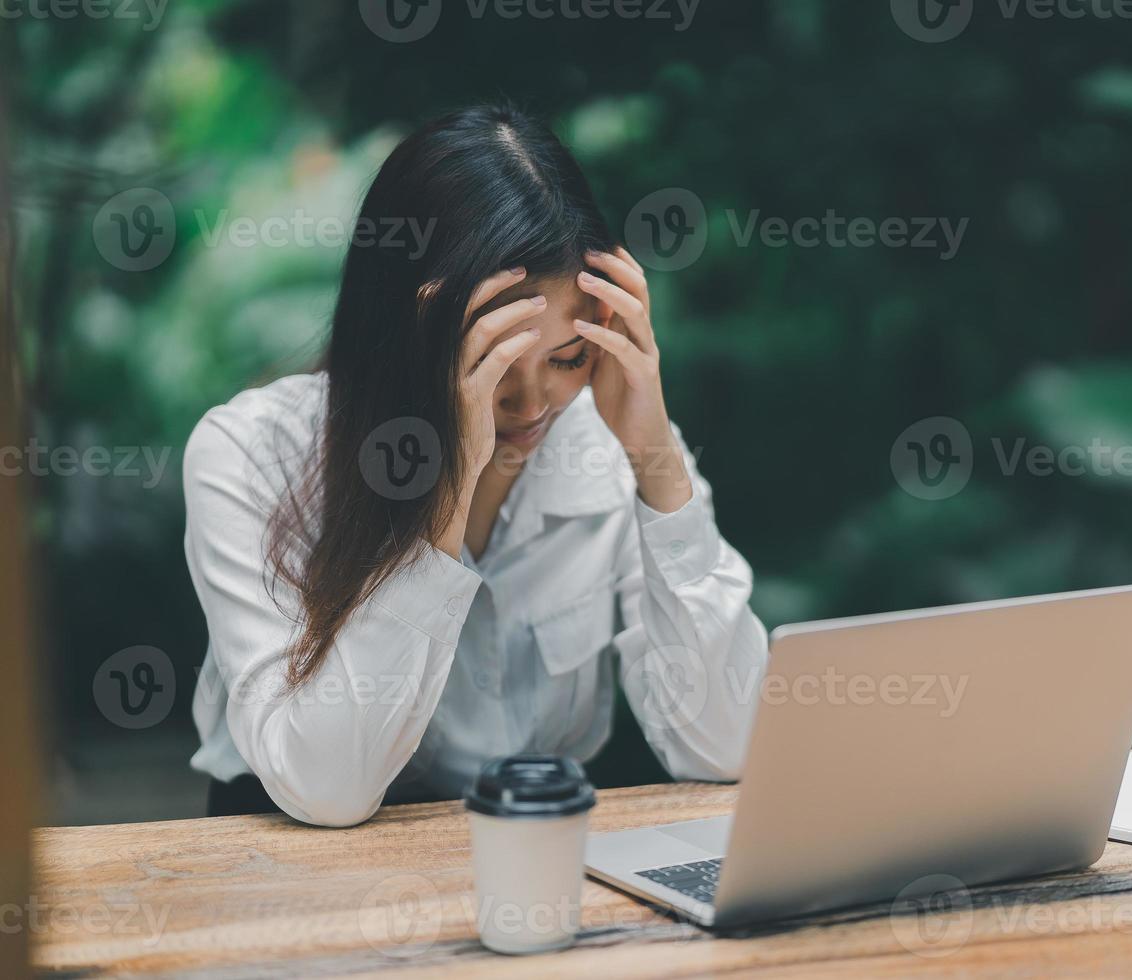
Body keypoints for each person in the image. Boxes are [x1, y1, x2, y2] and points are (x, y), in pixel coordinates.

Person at [182, 102, 768, 825]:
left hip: (528, 844)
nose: (531, 404)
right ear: (407, 329)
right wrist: (448, 483)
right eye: (493, 364)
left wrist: (658, 464)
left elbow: (726, 747)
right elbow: (326, 789)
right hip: (282, 868)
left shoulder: (610, 444)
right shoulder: (251, 456)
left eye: (568, 358)